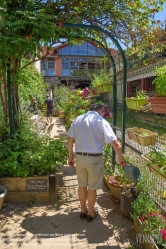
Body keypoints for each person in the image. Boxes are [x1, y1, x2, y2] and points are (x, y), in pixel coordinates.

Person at [67, 103, 126, 222]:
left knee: (82, 185)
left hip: (80, 157)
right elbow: (116, 143)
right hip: (94, 158)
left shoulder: (78, 119)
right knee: (92, 188)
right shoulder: (100, 121)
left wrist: (70, 156)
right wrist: (120, 157)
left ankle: (82, 211)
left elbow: (69, 139)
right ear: (99, 111)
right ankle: (90, 213)